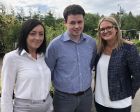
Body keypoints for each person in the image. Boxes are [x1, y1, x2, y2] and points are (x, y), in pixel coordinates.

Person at [45, 4, 96, 112]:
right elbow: (48, 71)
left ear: (83, 21)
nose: (77, 26)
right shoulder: (55, 45)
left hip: (86, 97)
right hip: (63, 99)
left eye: (80, 22)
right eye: (72, 22)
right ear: (65, 23)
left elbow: (90, 65)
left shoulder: (91, 43)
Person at [1, 19, 53, 112]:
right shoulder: (12, 58)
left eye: (41, 34)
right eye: (33, 33)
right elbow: (6, 93)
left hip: (47, 106)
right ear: (25, 35)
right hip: (25, 108)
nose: (37, 38)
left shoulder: (43, 56)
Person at [94, 16, 140, 112]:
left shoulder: (128, 49)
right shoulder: (98, 49)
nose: (105, 31)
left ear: (116, 29)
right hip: (99, 101)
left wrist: (129, 91)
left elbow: (138, 75)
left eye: (109, 27)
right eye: (102, 29)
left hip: (120, 104)